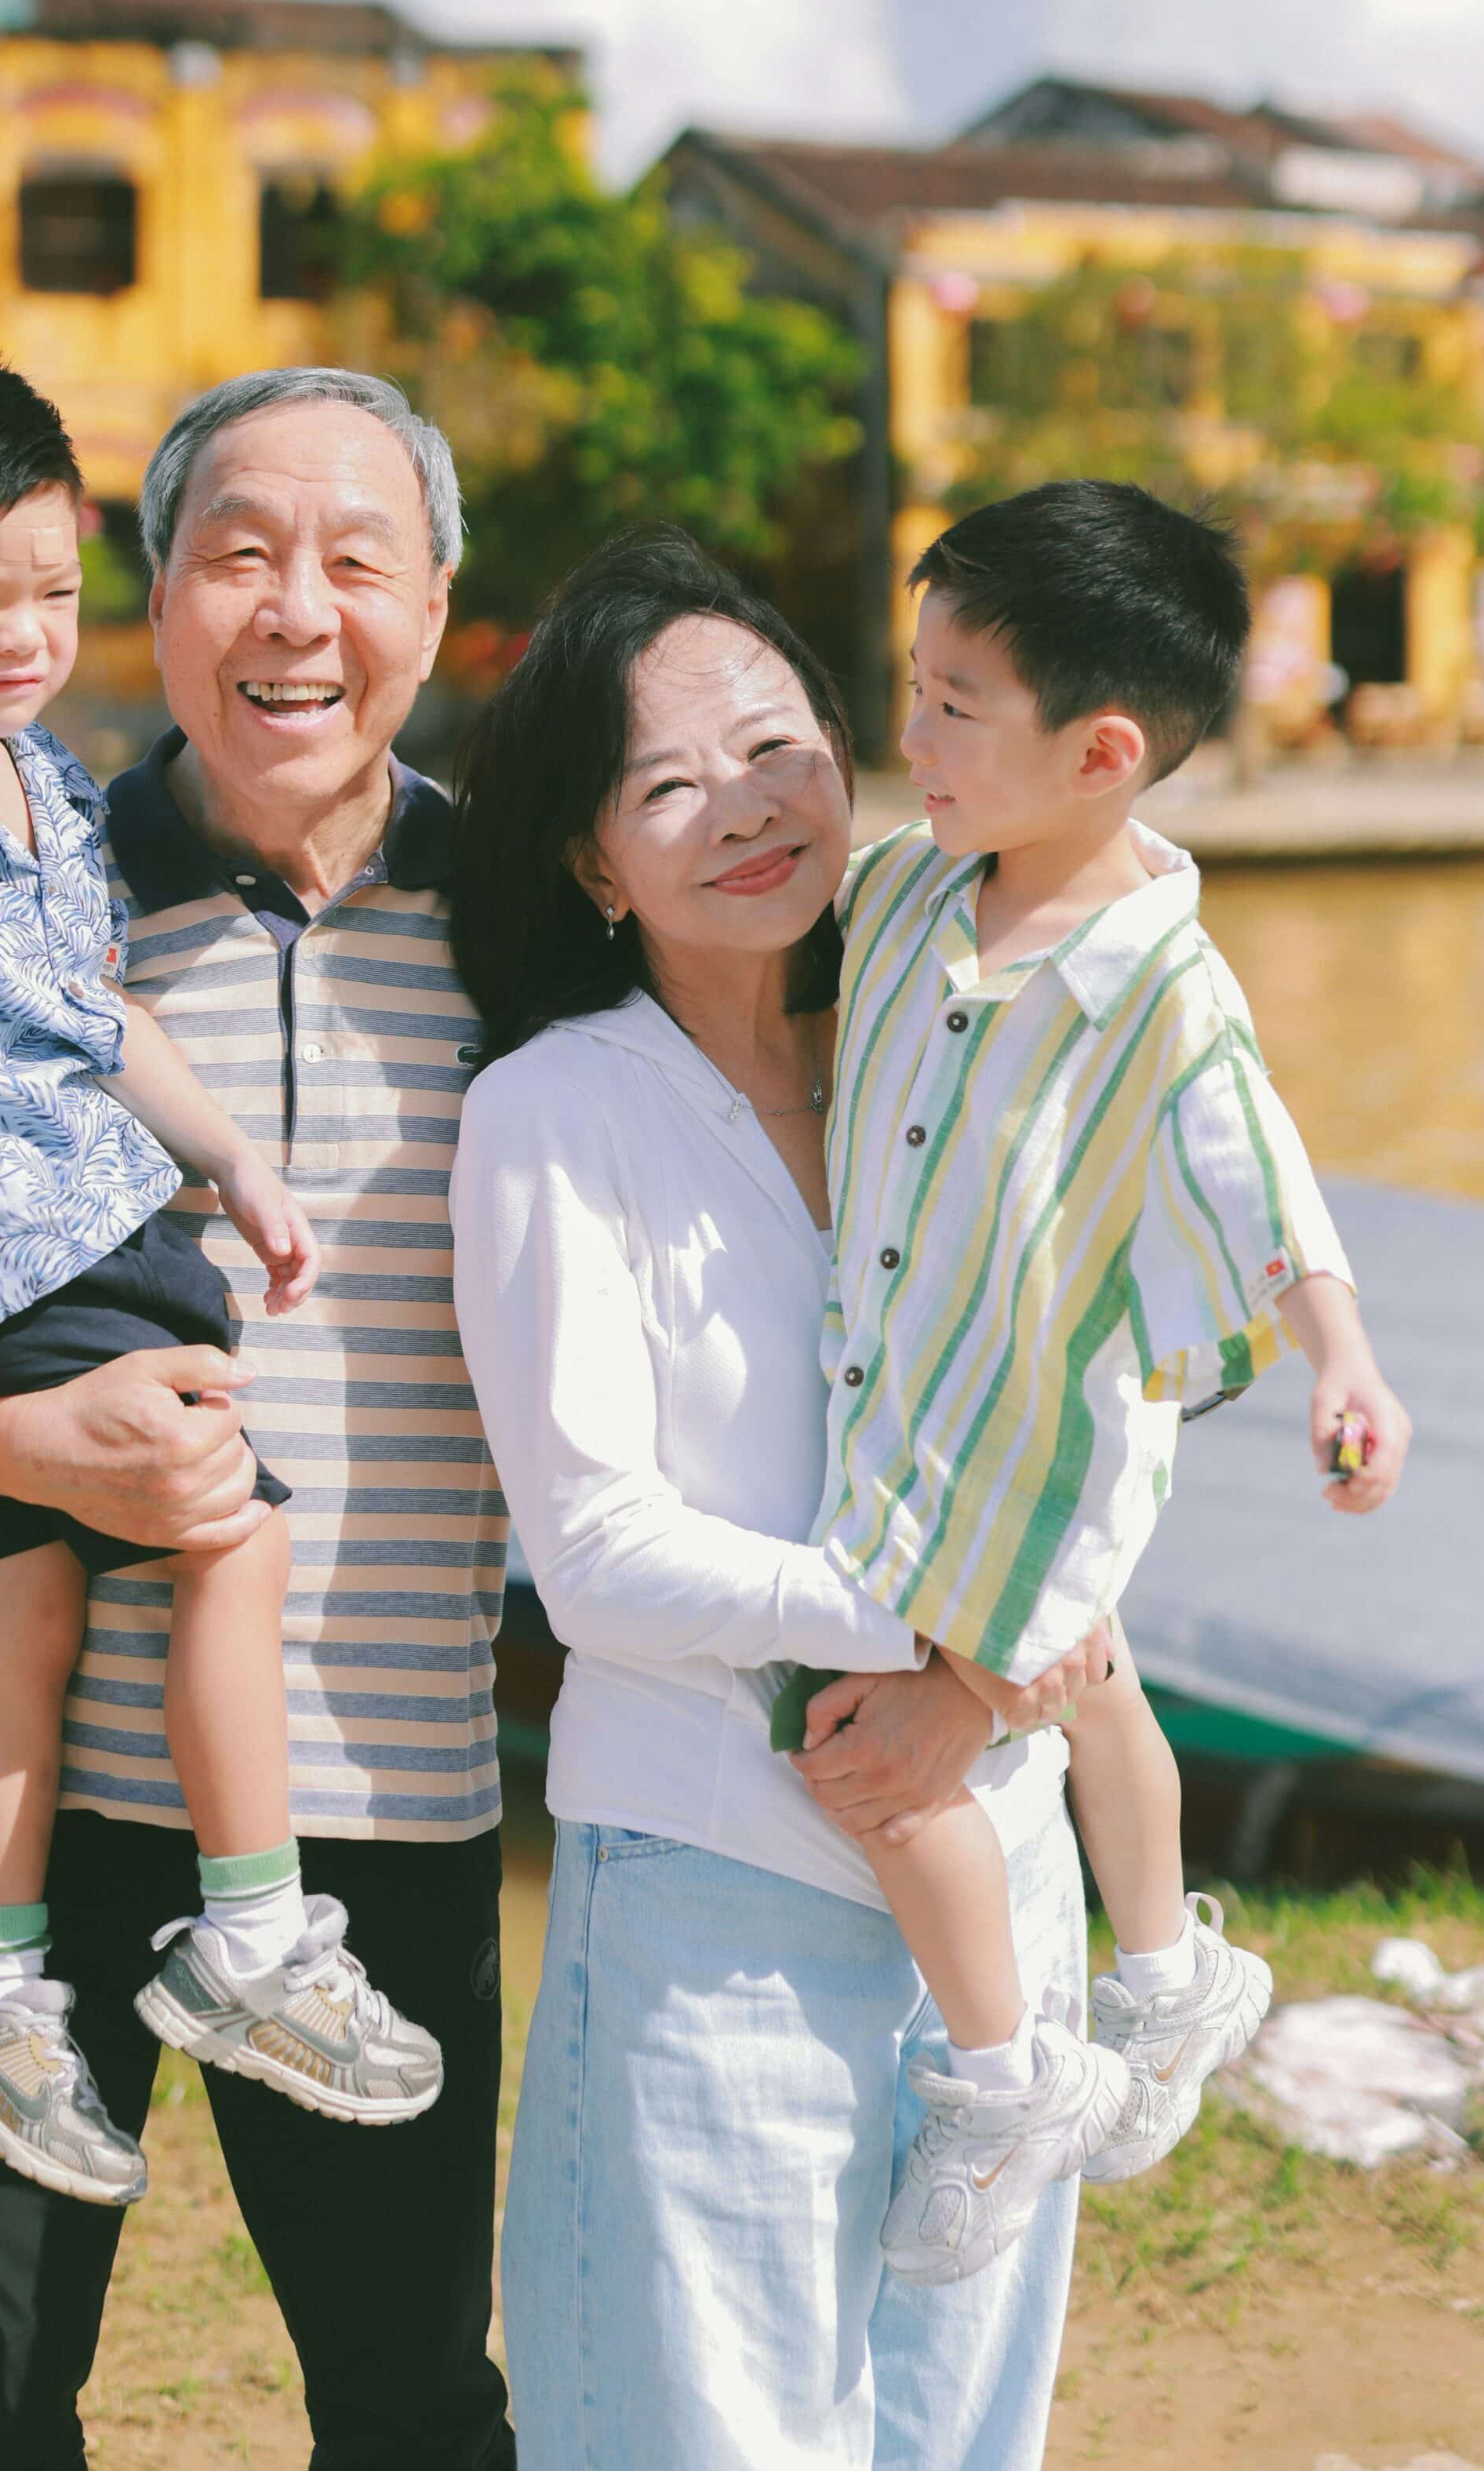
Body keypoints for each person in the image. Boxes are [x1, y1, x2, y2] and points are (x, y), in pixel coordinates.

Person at [0, 366, 515, 2469]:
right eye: (238, 551)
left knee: (416, 2405)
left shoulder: (538, 920)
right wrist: (20, 1448)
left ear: (438, 605)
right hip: (0, 1787)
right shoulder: (18, 877)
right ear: (152, 596)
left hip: (384, 1790)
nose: (296, 610)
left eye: (356, 559)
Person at [449, 530, 1113, 2471]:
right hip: (715, 1904)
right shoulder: (559, 1108)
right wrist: (923, 1623)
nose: (741, 807)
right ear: (591, 861)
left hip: (999, 1865)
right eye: (663, 786)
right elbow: (591, 1553)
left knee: (960, 2436)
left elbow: (1103, 1391)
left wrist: (980, 1692)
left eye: (773, 745)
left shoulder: (956, 1037)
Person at [769, 481, 1409, 2284]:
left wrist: (1339, 1358)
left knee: (947, 1719)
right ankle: (1167, 1970)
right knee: (1097, 1680)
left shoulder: (1163, 989)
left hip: (1047, 1414)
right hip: (902, 1384)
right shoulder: (906, 889)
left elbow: (1258, 1184)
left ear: (1100, 749)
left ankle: (1011, 2068)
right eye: (911, 685)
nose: (908, 734)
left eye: (953, 704)